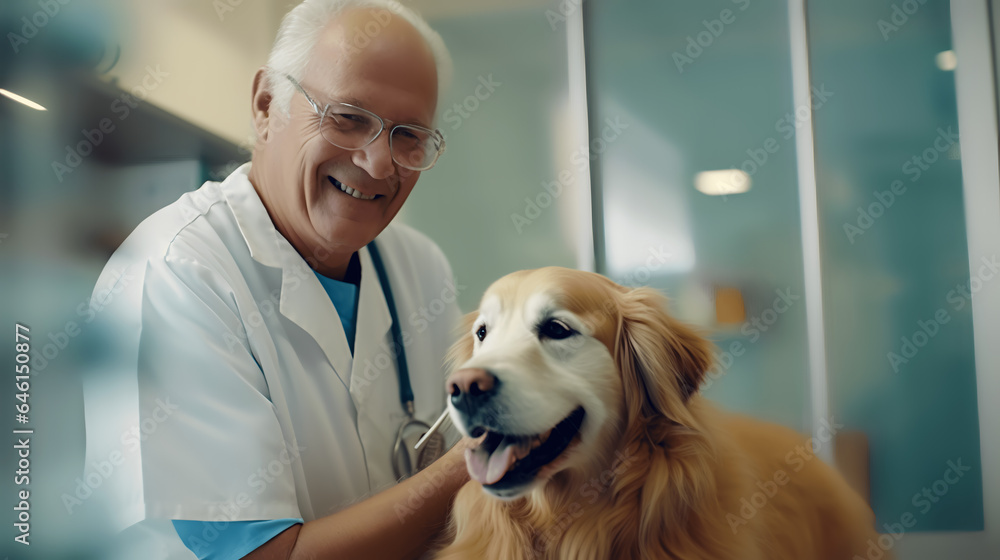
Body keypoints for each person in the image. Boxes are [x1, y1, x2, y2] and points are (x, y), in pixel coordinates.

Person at [80, 1, 473, 558]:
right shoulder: (179, 271)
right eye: (348, 117)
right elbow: (265, 554)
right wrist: (475, 465)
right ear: (267, 105)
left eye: (408, 135)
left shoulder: (420, 268)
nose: (379, 163)